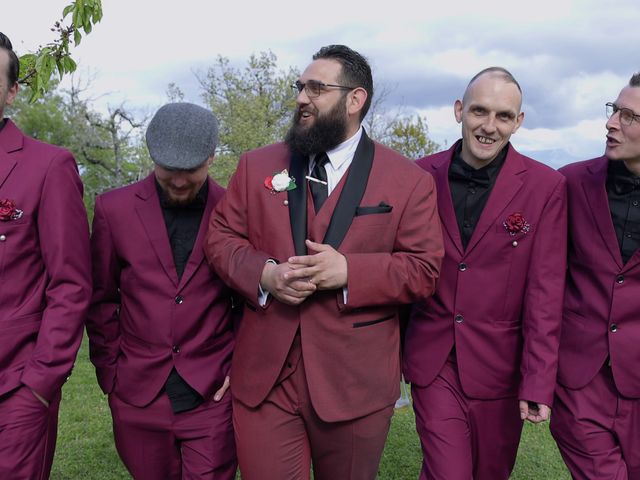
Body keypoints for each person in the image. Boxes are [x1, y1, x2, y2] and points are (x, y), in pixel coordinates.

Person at [205, 44, 443, 480]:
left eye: (317, 88)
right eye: (300, 87)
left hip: (356, 382)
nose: (301, 98)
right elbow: (220, 239)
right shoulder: (255, 164)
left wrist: (352, 272)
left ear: (355, 100)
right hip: (266, 377)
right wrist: (265, 274)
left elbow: (424, 269)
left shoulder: (410, 181)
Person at [403, 67, 568, 480]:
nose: (489, 126)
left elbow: (545, 293)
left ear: (519, 122)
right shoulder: (418, 176)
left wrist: (537, 381)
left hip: (502, 367)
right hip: (433, 358)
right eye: (479, 111)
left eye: (503, 116)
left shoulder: (546, 187)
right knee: (448, 471)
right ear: (459, 110)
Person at [87, 103, 237, 479]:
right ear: (152, 156)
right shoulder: (112, 209)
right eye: (169, 170)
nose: (180, 182)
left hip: (212, 394)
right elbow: (102, 298)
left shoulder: (236, 209)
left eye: (191, 171)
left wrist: (241, 367)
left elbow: (251, 300)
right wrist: (111, 373)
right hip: (137, 394)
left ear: (212, 157)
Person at [0, 32, 91, 479]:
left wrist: (40, 383)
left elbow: (71, 284)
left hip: (14, 385)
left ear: (12, 91)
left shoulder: (48, 167)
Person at [550, 73, 640, 479]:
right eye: (614, 110)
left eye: (629, 117)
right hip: (580, 379)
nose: (611, 123)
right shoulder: (568, 183)